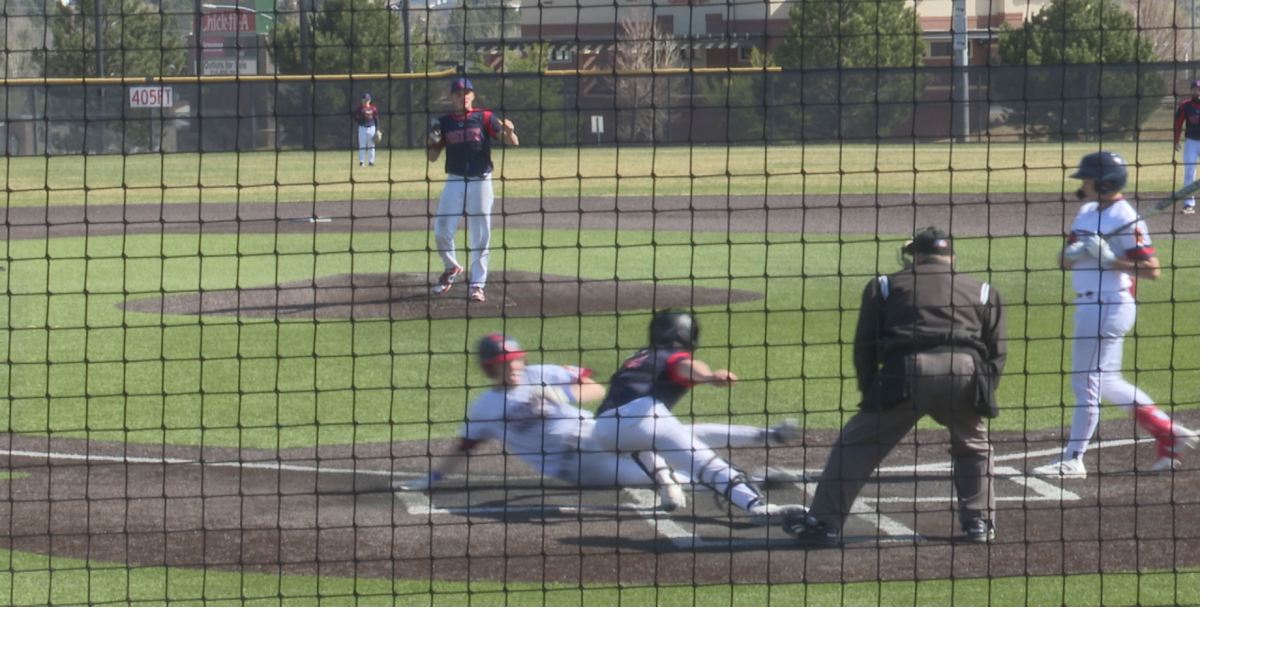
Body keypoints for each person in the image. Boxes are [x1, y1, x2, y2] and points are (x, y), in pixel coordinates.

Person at [781, 227, 1007, 545]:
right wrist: (982, 394)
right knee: (974, 446)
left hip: (906, 372)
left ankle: (824, 524)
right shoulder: (984, 290)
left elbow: (866, 348)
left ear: (914, 256)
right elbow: (997, 353)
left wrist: (872, 392)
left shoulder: (885, 285)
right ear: (951, 257)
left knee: (855, 447)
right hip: (965, 373)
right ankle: (979, 523)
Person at [395, 333, 801, 500]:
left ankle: (767, 434)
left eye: (516, 360)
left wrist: (564, 391)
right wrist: (433, 478)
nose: (515, 368)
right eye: (506, 363)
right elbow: (463, 448)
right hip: (576, 464)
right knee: (658, 476)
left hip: (602, 432)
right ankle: (754, 483)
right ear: (490, 369)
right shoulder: (484, 408)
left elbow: (597, 387)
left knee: (674, 433)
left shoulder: (542, 374)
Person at [1030, 152, 1199, 480]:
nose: (1083, 183)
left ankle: (1073, 458)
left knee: (1085, 383)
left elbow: (1152, 270)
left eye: (1088, 178)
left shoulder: (1128, 217)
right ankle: (1168, 433)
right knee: (1107, 381)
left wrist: (1110, 259)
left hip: (1109, 305)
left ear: (1105, 182)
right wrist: (1074, 252)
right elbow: (1064, 262)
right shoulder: (1087, 210)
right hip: (1090, 305)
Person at [591, 309, 808, 526]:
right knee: (703, 460)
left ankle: (667, 484)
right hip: (641, 416)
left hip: (604, 431)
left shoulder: (638, 358)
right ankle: (757, 505)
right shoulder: (672, 356)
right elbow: (685, 365)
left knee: (673, 433)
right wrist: (708, 377)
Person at [427, 78, 518, 303]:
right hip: (455, 180)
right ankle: (451, 267)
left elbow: (512, 142)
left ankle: (478, 284)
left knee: (480, 233)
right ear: (452, 98)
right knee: (441, 230)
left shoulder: (485, 117)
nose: (463, 96)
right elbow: (432, 157)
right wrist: (431, 140)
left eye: (467, 92)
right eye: (458, 94)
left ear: (473, 96)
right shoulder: (444, 122)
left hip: (481, 181)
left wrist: (509, 130)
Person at [1173, 80, 1200, 214]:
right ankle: (1189, 203)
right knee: (1190, 172)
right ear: (1191, 91)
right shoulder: (1185, 105)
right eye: (1195, 89)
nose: (1197, 92)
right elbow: (1178, 123)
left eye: (1199, 90)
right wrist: (1176, 141)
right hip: (1191, 142)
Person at [353, 92, 379, 167]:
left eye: (367, 99)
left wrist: (378, 129)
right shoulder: (358, 109)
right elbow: (356, 119)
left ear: (370, 100)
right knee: (362, 145)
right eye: (364, 99)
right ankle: (362, 161)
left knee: (371, 145)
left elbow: (376, 119)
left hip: (371, 127)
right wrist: (363, 115)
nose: (365, 101)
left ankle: (371, 161)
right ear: (361, 100)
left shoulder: (373, 109)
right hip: (362, 128)